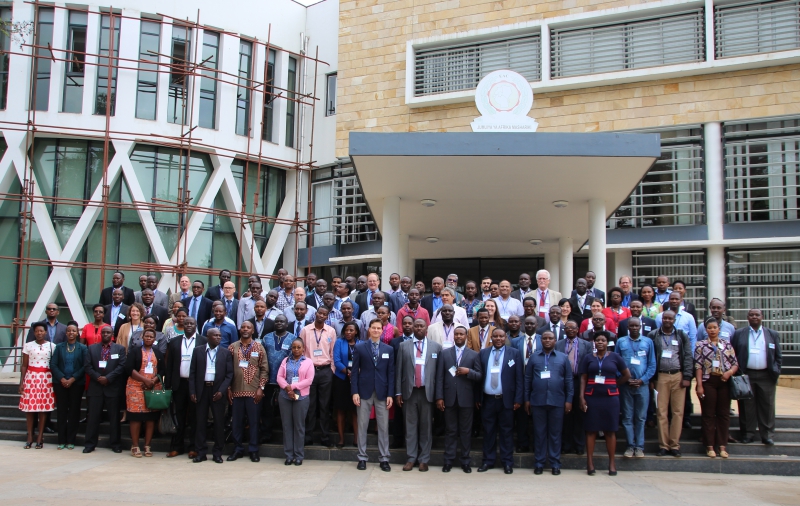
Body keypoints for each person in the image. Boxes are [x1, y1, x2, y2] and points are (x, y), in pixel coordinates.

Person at [578, 331, 630, 475]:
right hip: (592, 397)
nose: (600, 342)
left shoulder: (615, 357)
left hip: (610, 398)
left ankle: (612, 464)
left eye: (603, 340)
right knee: (591, 430)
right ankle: (590, 462)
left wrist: (614, 384)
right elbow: (583, 378)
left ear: (608, 343)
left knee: (610, 430)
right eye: (598, 340)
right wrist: (581, 397)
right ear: (594, 343)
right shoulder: (588, 358)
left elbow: (627, 375)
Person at [524, 330, 573, 475]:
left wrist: (569, 400)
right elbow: (527, 379)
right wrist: (526, 399)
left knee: (555, 434)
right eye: (544, 338)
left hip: (557, 401)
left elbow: (569, 381)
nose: (547, 340)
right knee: (539, 433)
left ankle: (555, 463)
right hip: (537, 401)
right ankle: (539, 463)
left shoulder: (563, 358)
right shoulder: (534, 357)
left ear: (555, 340)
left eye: (550, 338)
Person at [396, 317, 442, 472]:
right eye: (416, 326)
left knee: (426, 426)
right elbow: (399, 372)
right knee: (410, 426)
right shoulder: (404, 346)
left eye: (422, 326)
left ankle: (424, 459)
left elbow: (439, 374)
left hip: (427, 393)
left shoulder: (436, 347)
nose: (419, 329)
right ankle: (411, 458)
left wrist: (438, 395)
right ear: (413, 328)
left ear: (426, 329)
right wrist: (398, 392)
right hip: (409, 392)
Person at [731, 309, 782, 445]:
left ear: (762, 317)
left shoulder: (772, 334)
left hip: (767, 375)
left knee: (767, 405)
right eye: (751, 315)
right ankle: (747, 434)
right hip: (747, 375)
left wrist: (775, 371)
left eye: (757, 315)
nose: (754, 317)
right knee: (747, 406)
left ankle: (767, 435)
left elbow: (778, 356)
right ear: (747, 317)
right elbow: (733, 353)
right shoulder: (739, 334)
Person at [435, 325, 482, 473]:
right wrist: (439, 397)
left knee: (466, 431)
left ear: (466, 336)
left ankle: (465, 461)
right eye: (457, 334)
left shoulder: (474, 355)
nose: (459, 336)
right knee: (450, 430)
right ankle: (448, 460)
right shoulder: (445, 354)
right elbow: (440, 377)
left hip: (466, 398)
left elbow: (480, 376)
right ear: (453, 337)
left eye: (462, 334)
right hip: (449, 398)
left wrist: (469, 372)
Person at [477, 328, 523, 475]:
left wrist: (518, 398)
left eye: (501, 336)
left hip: (506, 400)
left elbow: (519, 379)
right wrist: (478, 397)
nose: (498, 339)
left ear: (505, 338)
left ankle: (507, 462)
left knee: (506, 432)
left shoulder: (514, 353)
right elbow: (479, 377)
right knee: (488, 432)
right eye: (495, 336)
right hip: (488, 400)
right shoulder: (483, 353)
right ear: (491, 338)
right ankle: (487, 461)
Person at [352, 318, 395, 472]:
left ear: (382, 330)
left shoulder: (388, 349)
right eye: (373, 328)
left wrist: (391, 393)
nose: (376, 330)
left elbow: (391, 373)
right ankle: (362, 457)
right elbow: (355, 372)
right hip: (364, 391)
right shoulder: (360, 347)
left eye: (379, 328)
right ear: (369, 330)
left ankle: (384, 458)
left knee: (383, 426)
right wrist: (354, 392)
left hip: (383, 392)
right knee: (362, 425)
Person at [648, 309, 693, 457]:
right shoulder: (653, 335)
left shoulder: (681, 335)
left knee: (678, 412)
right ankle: (663, 445)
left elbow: (687, 356)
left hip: (678, 376)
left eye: (670, 318)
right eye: (665, 318)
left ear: (674, 320)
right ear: (661, 319)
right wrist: (652, 379)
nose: (667, 321)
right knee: (661, 412)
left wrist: (687, 376)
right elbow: (651, 358)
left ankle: (674, 445)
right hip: (661, 377)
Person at [695, 317, 739, 458]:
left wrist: (730, 372)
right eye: (710, 328)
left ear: (719, 329)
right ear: (706, 330)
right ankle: (709, 446)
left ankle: (722, 445)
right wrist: (699, 385)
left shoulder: (727, 345)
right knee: (708, 414)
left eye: (715, 327)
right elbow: (698, 366)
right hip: (709, 381)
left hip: (724, 381)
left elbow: (735, 363)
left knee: (723, 414)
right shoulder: (700, 345)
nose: (712, 330)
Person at [189, 327, 233, 464]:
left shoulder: (225, 353)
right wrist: (192, 391)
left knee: (219, 423)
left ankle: (217, 453)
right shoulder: (198, 351)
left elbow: (229, 374)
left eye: (220, 336)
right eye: (215, 335)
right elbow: (193, 373)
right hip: (202, 389)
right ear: (208, 337)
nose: (219, 338)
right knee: (200, 422)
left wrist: (222, 390)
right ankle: (201, 452)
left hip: (217, 390)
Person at [165, 316, 207, 459]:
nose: (189, 325)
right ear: (183, 324)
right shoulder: (175, 342)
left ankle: (193, 447)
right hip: (179, 384)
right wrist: (168, 385)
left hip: (196, 384)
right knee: (179, 416)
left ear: (196, 325)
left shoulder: (203, 341)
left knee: (195, 417)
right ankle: (177, 446)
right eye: (187, 323)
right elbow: (169, 364)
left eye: (192, 323)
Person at [227, 320, 269, 462]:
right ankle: (237, 449)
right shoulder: (232, 347)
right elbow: (227, 370)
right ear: (240, 330)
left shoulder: (259, 347)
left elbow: (264, 369)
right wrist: (228, 389)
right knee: (236, 423)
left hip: (254, 392)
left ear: (253, 331)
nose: (245, 329)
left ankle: (253, 450)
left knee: (254, 422)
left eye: (248, 327)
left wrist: (260, 388)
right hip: (236, 391)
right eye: (243, 327)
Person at [616, 318, 656, 459]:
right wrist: (623, 379)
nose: (634, 328)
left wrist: (642, 380)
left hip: (642, 385)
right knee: (627, 417)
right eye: (631, 326)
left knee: (640, 417)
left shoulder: (647, 342)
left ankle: (639, 447)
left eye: (636, 326)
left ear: (640, 327)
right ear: (627, 327)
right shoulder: (621, 342)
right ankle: (629, 446)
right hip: (626, 386)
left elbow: (652, 365)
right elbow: (616, 362)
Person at [83, 326, 126, 453]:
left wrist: (108, 378)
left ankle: (116, 444)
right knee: (93, 418)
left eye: (108, 332)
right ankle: (90, 444)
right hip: (96, 387)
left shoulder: (120, 349)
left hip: (112, 388)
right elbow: (87, 366)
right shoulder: (91, 348)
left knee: (114, 419)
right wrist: (98, 377)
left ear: (112, 335)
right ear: (101, 334)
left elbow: (121, 366)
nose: (106, 334)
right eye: (104, 332)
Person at [300, 305, 337, 447]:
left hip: (326, 370)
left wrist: (332, 369)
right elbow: (302, 351)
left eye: (324, 314)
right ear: (315, 313)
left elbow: (333, 351)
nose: (321, 316)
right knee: (310, 404)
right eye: (319, 313)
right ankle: (308, 436)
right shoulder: (305, 330)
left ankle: (325, 436)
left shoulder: (331, 331)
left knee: (324, 405)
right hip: (310, 370)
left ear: (327, 317)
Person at [124, 328, 164, 458]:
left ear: (154, 339)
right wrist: (144, 380)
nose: (148, 338)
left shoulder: (158, 353)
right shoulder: (134, 352)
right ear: (142, 337)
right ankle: (135, 446)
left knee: (150, 418)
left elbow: (162, 371)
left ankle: (147, 445)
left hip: (153, 387)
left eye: (151, 336)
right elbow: (129, 368)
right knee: (135, 417)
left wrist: (152, 381)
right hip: (136, 387)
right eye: (146, 336)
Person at [555, 320, 593, 455]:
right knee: (565, 415)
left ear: (578, 330)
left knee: (579, 414)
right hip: (562, 382)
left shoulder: (586, 345)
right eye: (567, 328)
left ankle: (579, 445)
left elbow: (589, 362)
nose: (570, 330)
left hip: (579, 381)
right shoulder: (558, 344)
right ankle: (566, 445)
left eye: (573, 328)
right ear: (564, 330)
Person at [277, 337, 315, 465]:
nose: (296, 349)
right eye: (294, 347)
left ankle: (299, 455)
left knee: (299, 426)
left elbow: (309, 380)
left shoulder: (308, 362)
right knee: (287, 426)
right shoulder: (286, 360)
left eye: (299, 347)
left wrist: (292, 387)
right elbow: (279, 377)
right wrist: (287, 388)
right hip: (285, 397)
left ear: (303, 349)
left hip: (301, 397)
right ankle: (289, 455)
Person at [19, 322, 56, 449]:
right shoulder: (28, 346)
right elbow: (24, 365)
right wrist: (21, 382)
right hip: (31, 377)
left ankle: (40, 436)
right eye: (37, 331)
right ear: (34, 333)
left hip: (46, 378)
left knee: (43, 408)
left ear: (45, 332)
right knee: (29, 409)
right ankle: (30, 436)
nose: (39, 333)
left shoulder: (52, 346)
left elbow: (54, 364)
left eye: (41, 331)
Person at [50, 321, 86, 450]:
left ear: (77, 333)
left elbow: (84, 366)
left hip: (76, 384)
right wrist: (62, 378)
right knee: (61, 411)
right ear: (66, 333)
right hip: (60, 383)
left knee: (74, 412)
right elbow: (53, 365)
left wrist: (72, 379)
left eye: (74, 331)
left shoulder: (83, 348)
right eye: (69, 330)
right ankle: (61, 440)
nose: (71, 333)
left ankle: (71, 440)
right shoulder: (59, 347)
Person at [261, 314, 291, 444]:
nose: (279, 323)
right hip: (268, 380)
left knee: (285, 411)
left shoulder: (293, 338)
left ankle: (286, 437)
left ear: (287, 324)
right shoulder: (266, 338)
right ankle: (267, 434)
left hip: (285, 381)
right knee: (267, 410)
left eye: (282, 321)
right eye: (277, 321)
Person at [333, 321, 360, 448]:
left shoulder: (361, 343)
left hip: (357, 381)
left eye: (351, 330)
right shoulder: (339, 342)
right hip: (342, 379)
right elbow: (336, 360)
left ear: (356, 332)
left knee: (355, 410)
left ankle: (356, 438)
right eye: (346, 330)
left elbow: (364, 361)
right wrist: (348, 372)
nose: (348, 332)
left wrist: (355, 373)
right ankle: (341, 439)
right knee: (341, 410)